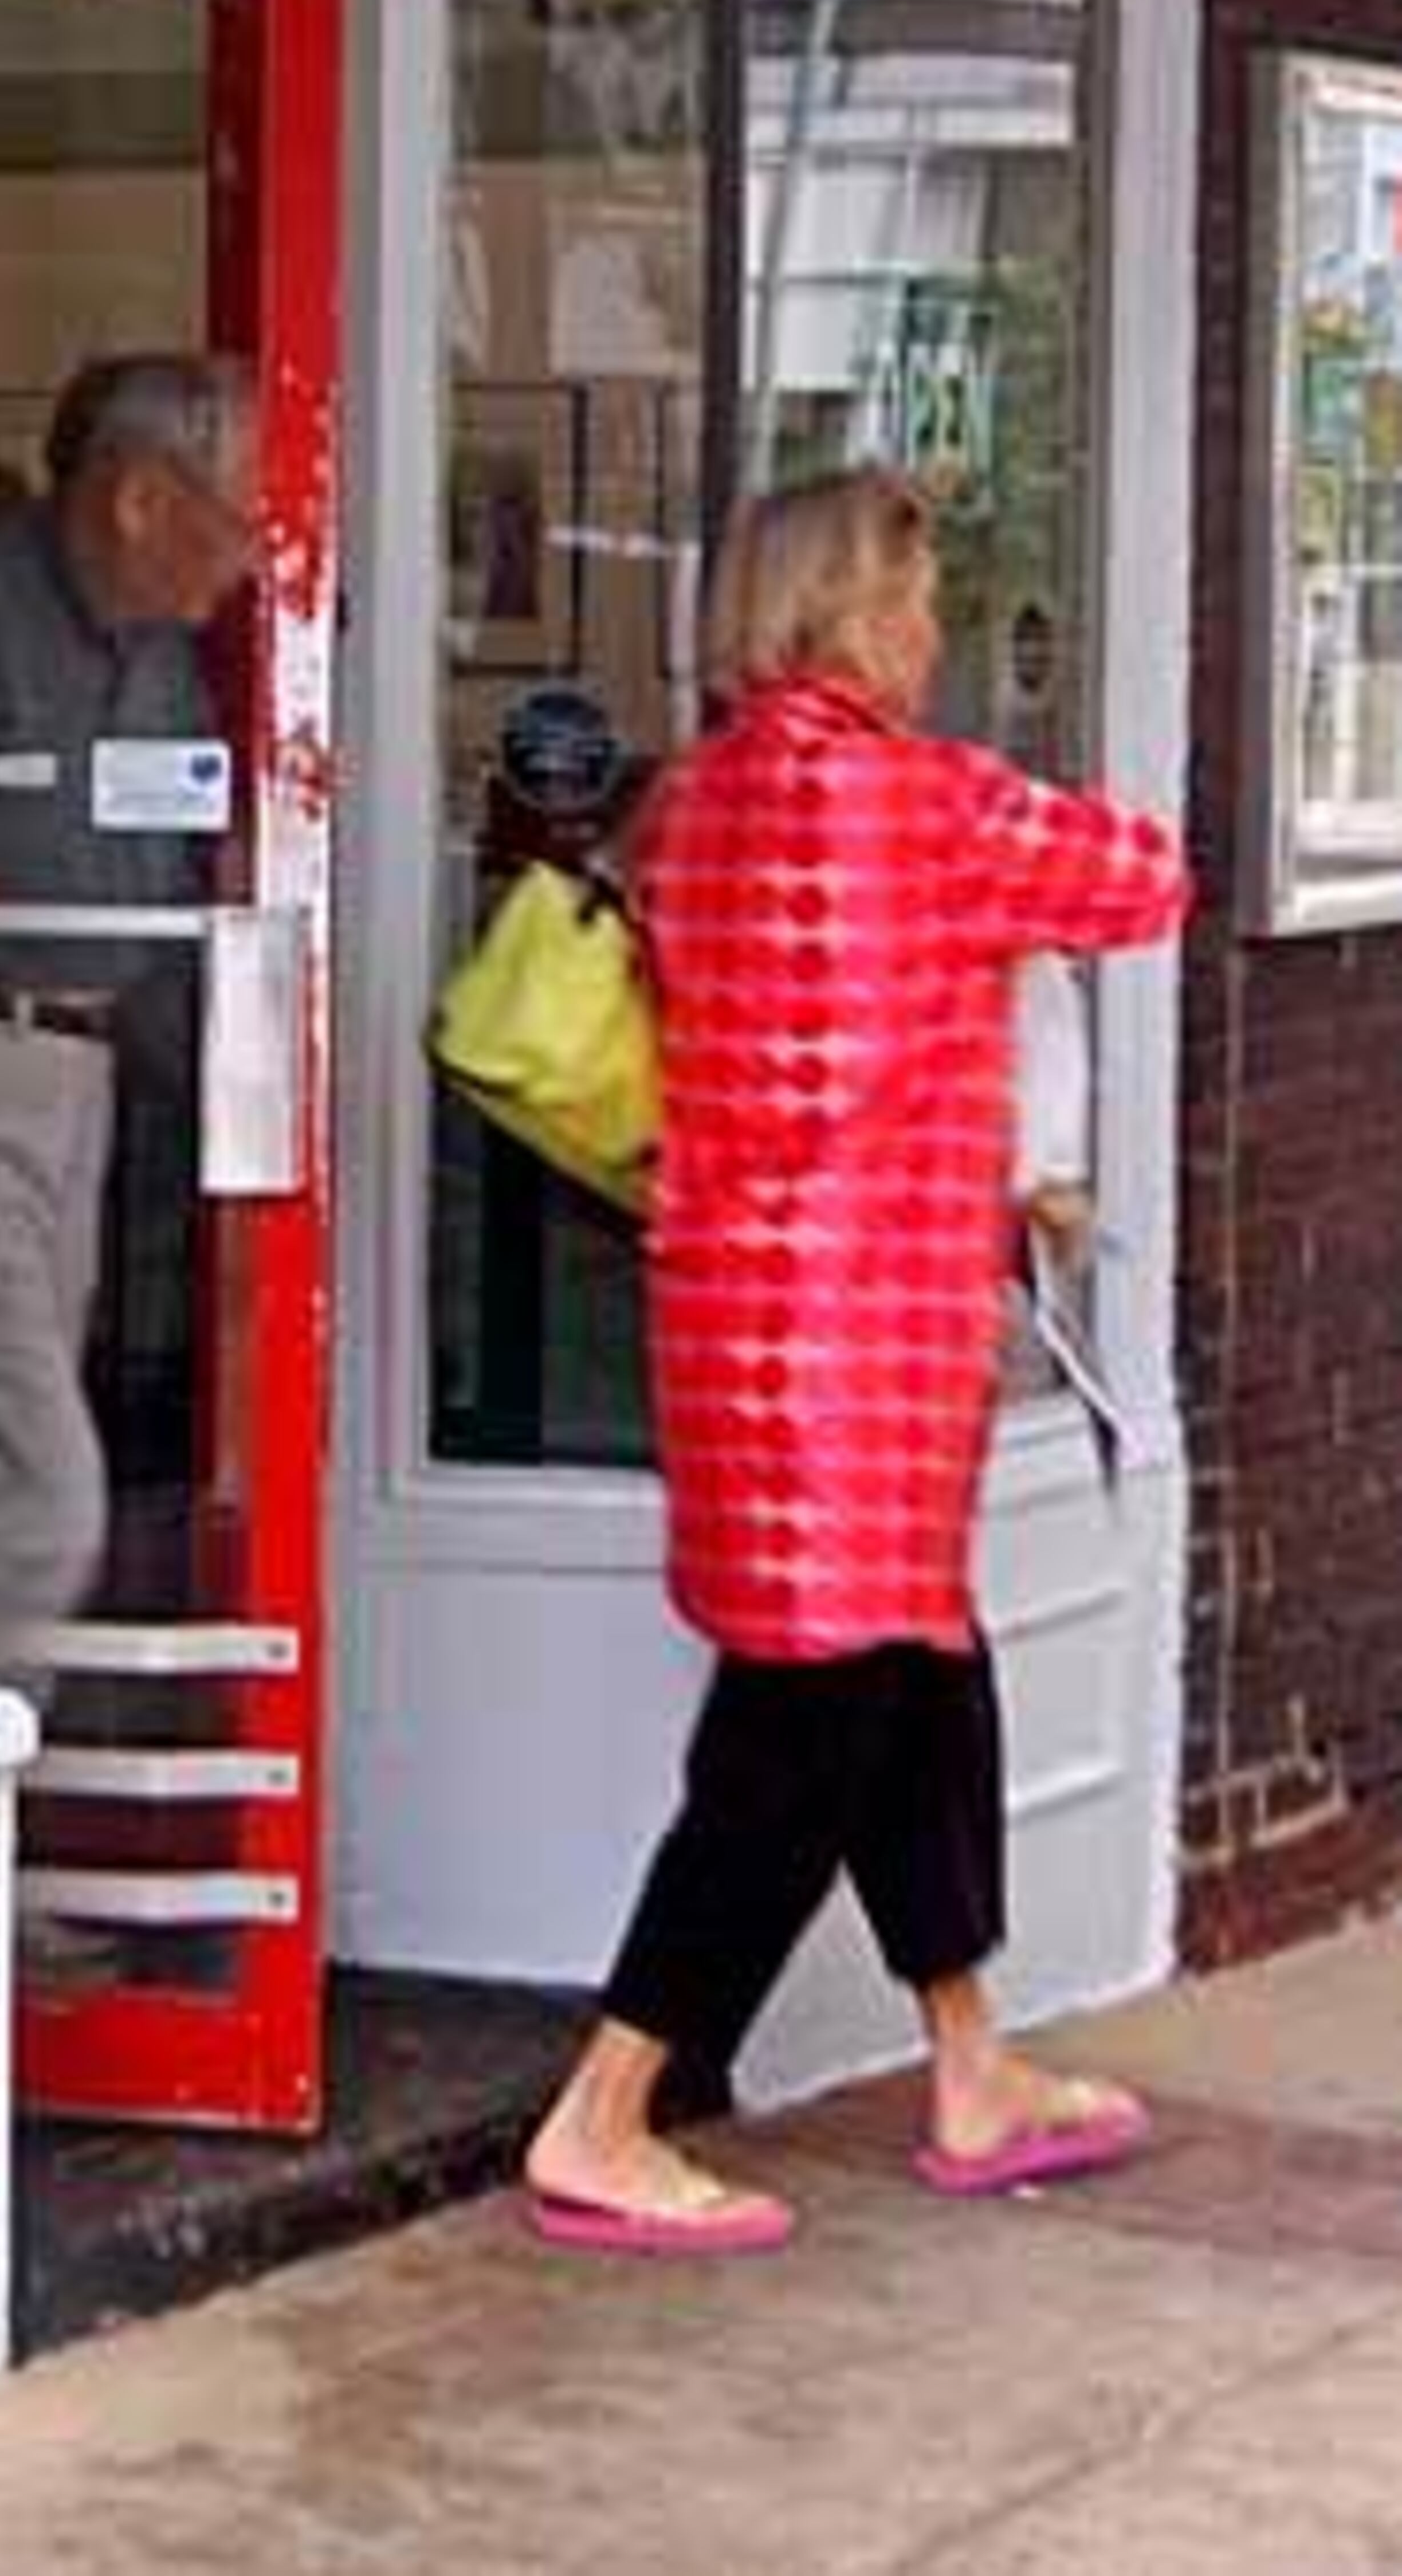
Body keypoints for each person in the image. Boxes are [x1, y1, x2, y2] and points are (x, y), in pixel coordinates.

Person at [523, 465, 1189, 2257]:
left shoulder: (694, 806)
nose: (937, 629)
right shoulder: (930, 804)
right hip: (873, 1343)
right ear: (850, 617)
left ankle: (971, 2063)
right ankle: (606, 2108)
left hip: (737, 1324)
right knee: (802, 1728)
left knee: (920, 1675)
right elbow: (1148, 880)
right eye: (919, 599)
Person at [0, 351, 257, 1668]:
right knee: (35, 1508)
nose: (243, 568)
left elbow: (166, 870)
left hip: (88, 1093)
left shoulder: (171, 654)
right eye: (232, 524)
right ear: (137, 500)